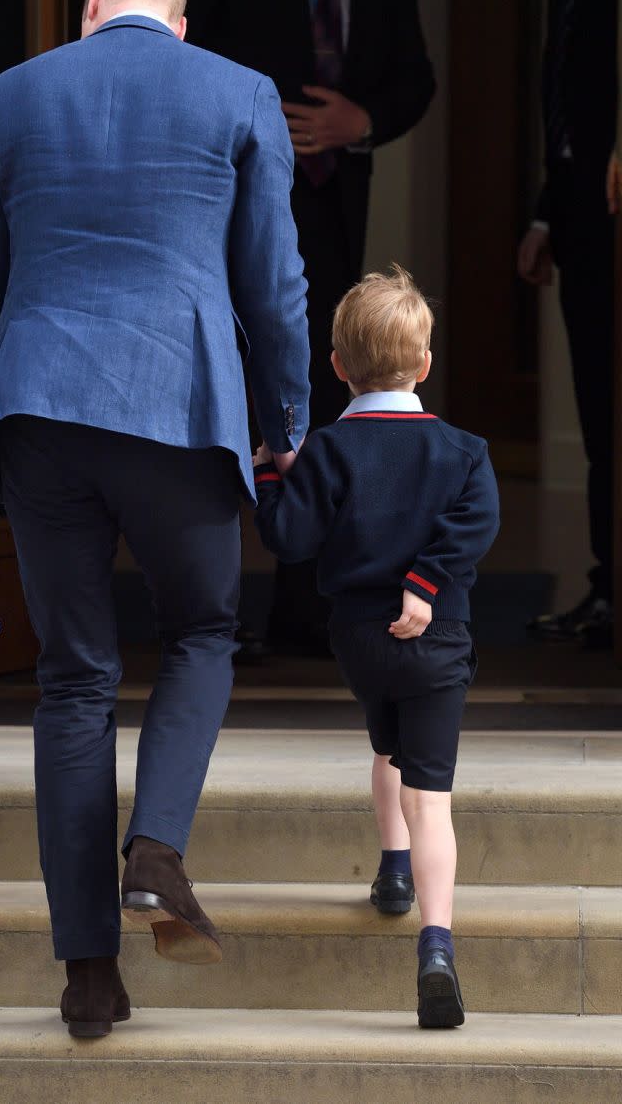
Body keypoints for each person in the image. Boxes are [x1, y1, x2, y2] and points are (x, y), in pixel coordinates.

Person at [0, 0, 310, 1038]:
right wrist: (283, 420)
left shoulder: (11, 94)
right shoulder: (239, 92)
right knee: (201, 629)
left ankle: (89, 976)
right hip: (182, 405)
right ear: (180, 23)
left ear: (92, 6)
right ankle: (155, 847)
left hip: (43, 410)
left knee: (72, 680)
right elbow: (274, 280)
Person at [169, 0, 435, 656]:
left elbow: (413, 76)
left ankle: (301, 600)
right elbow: (177, 57)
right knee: (220, 380)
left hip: (331, 203)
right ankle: (205, 604)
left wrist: (362, 122)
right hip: (226, 195)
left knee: (314, 381)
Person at [253, 268, 499, 1027]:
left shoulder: (328, 450)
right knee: (432, 795)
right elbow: (476, 522)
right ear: (425, 365)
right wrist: (426, 585)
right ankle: (435, 945)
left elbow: (289, 536)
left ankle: (391, 872)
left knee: (386, 746)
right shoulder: (463, 451)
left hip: (361, 641)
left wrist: (270, 470)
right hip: (437, 639)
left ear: (337, 367)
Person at [518, 0, 619, 648]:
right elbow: (570, 102)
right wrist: (549, 214)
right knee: (598, 407)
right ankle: (609, 584)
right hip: (583, 217)